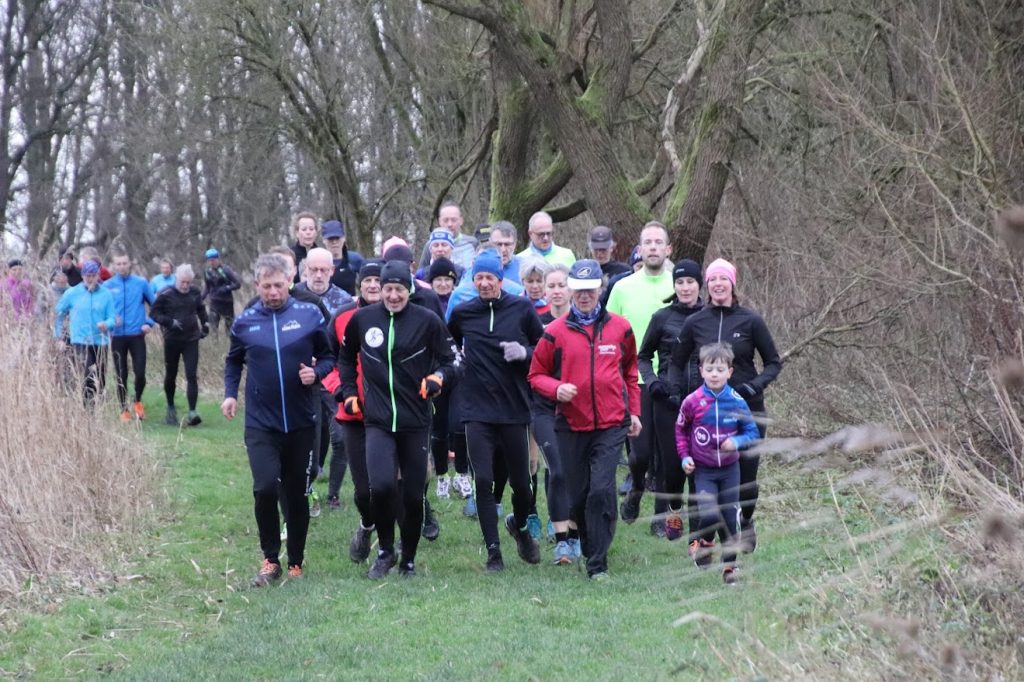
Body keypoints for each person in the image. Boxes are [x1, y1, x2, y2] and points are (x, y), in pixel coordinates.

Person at [336, 260, 457, 578]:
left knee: (413, 496)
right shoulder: (362, 319)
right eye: (387, 289)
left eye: (399, 289)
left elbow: (454, 359)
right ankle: (386, 551)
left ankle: (409, 560)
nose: (392, 295)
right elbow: (345, 358)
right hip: (377, 421)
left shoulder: (427, 320)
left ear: (409, 290)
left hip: (415, 421)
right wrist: (348, 393)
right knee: (381, 487)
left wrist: (439, 377)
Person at [222, 253, 334, 587]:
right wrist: (230, 394)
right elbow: (233, 361)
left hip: (301, 422)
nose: (273, 292)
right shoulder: (245, 322)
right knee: (265, 487)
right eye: (266, 286)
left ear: (289, 281)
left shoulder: (309, 314)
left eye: (278, 285)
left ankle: (296, 561)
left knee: (297, 494)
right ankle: (271, 559)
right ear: (257, 285)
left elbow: (329, 356)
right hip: (261, 423)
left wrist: (316, 373)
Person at [528, 259, 641, 579]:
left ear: (600, 290)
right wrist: (556, 388)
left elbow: (631, 372)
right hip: (571, 425)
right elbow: (535, 375)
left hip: (611, 423)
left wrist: (634, 411)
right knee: (578, 497)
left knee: (602, 490)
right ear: (571, 291)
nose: (584, 295)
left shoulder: (621, 328)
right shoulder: (555, 332)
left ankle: (598, 564)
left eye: (590, 290)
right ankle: (590, 546)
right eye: (579, 290)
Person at [671, 258, 782, 553]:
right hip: (706, 412)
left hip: (747, 408)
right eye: (713, 279)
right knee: (704, 477)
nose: (718, 284)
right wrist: (678, 394)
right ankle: (702, 539)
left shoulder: (751, 320)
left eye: (723, 279)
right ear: (707, 285)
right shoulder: (695, 321)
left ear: (732, 284)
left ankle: (745, 519)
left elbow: (773, 363)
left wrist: (753, 386)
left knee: (746, 478)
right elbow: (676, 362)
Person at [448, 251, 545, 571]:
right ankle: (494, 553)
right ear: (472, 280)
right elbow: (450, 344)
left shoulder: (521, 309)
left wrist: (525, 353)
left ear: (501, 280)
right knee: (483, 481)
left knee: (522, 485)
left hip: (514, 408)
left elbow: (545, 349)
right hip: (476, 409)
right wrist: (457, 364)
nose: (484, 283)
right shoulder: (463, 313)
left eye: (490, 277)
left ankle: (519, 526)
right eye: (479, 278)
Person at [607, 222, 675, 533]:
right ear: (640, 248)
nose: (653, 247)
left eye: (658, 242)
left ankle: (660, 519)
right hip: (633, 381)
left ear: (668, 249)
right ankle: (636, 487)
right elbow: (608, 333)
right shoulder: (623, 287)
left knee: (667, 454)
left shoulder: (679, 284)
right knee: (641, 453)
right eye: (648, 242)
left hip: (671, 379)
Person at [676, 342, 760, 585]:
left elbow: (752, 432)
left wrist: (736, 441)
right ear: (701, 370)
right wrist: (685, 457)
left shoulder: (737, 402)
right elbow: (680, 430)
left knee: (730, 519)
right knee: (710, 514)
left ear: (729, 372)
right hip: (704, 471)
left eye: (720, 370)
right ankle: (705, 543)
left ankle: (730, 569)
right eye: (710, 369)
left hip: (730, 470)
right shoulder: (692, 401)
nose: (715, 374)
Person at [637, 259, 704, 542]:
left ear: (699, 285)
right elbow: (643, 357)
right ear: (674, 285)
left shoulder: (709, 317)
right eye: (680, 282)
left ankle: (698, 529)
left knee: (700, 464)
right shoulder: (661, 317)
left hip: (702, 401)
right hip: (668, 401)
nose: (685, 288)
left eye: (690, 282)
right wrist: (653, 382)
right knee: (672, 465)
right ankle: (670, 513)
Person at [321, 261, 381, 557]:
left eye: (378, 280)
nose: (373, 285)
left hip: (391, 415)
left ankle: (390, 545)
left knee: (391, 483)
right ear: (360, 284)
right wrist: (342, 391)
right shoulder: (343, 316)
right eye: (367, 280)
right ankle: (367, 524)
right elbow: (326, 360)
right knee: (363, 490)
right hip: (354, 413)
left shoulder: (403, 316)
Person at [295, 247, 355, 514]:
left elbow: (349, 343)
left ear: (332, 271)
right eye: (313, 270)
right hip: (303, 379)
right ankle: (309, 491)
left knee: (340, 437)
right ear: (305, 270)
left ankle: (333, 494)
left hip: (333, 378)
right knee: (309, 440)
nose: (318, 275)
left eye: (324, 270)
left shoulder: (344, 300)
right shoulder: (293, 296)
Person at [532, 263, 582, 563]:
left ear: (571, 288)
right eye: (551, 286)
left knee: (574, 473)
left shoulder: (584, 323)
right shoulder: (534, 322)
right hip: (543, 408)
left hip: (577, 409)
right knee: (558, 469)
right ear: (543, 290)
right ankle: (562, 540)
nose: (556, 291)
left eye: (562, 285)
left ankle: (575, 533)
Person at [151, 264, 209, 426]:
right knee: (171, 374)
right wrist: (170, 322)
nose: (185, 286)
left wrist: (205, 324)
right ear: (176, 279)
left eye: (188, 282)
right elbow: (154, 313)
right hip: (172, 340)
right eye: (182, 282)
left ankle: (192, 412)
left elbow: (201, 308)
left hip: (191, 339)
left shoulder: (195, 292)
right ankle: (171, 409)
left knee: (192, 375)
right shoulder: (166, 293)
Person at [53, 260, 116, 406]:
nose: (91, 279)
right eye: (88, 276)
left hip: (101, 341)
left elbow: (112, 318)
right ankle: (88, 408)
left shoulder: (106, 294)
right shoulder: (72, 293)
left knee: (100, 376)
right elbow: (58, 315)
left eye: (94, 275)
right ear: (82, 276)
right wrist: (59, 337)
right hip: (80, 340)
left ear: (98, 276)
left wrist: (106, 324)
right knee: (88, 374)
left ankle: (98, 404)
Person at [105, 251, 156, 421]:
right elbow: (101, 309)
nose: (121, 267)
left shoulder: (141, 283)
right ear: (114, 266)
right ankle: (123, 409)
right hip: (117, 336)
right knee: (121, 374)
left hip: (137, 335)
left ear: (129, 264)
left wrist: (149, 323)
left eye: (124, 263)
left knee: (140, 372)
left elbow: (157, 306)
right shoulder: (108, 286)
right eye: (118, 264)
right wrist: (109, 321)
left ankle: (137, 401)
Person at [418, 201, 478, 271]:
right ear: (439, 221)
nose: (450, 224)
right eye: (445, 220)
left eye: (454, 220)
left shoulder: (473, 243)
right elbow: (421, 274)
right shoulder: (431, 245)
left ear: (461, 220)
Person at [202, 248, 241, 338]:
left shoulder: (226, 270)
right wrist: (200, 299)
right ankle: (214, 346)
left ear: (218, 259)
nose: (211, 262)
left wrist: (226, 288)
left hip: (227, 303)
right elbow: (207, 288)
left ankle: (229, 344)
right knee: (213, 329)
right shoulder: (207, 272)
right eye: (209, 261)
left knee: (229, 329)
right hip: (214, 303)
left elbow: (237, 284)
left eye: (213, 260)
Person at [322, 219, 364, 296]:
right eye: (330, 239)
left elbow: (369, 278)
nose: (334, 242)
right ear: (324, 240)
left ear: (344, 238)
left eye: (337, 238)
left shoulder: (353, 259)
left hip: (349, 302)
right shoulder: (318, 261)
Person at [290, 211, 320, 284]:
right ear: (297, 233)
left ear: (316, 232)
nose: (308, 232)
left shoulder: (322, 254)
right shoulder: (290, 256)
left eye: (311, 229)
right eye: (304, 229)